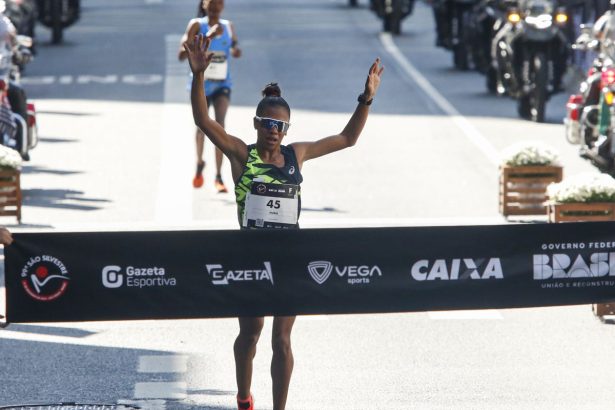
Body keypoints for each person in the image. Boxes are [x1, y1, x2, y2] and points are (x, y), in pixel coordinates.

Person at [183, 33, 383, 410]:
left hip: (290, 257)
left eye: (280, 126)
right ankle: (244, 397)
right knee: (250, 333)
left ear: (287, 130)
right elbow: (203, 120)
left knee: (283, 340)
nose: (273, 131)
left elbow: (347, 138)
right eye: (267, 124)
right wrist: (198, 76)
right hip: (250, 256)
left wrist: (367, 96)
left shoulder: (297, 155)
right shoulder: (241, 154)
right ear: (256, 124)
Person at [178, 0, 241, 192]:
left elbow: (234, 48)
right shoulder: (196, 24)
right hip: (201, 84)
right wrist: (207, 37)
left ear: (223, 5)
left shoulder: (229, 26)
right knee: (203, 126)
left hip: (222, 83)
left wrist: (235, 51)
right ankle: (199, 163)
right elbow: (182, 54)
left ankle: (219, 176)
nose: (215, 7)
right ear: (204, 4)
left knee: (220, 127)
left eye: (219, 3)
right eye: (211, 3)